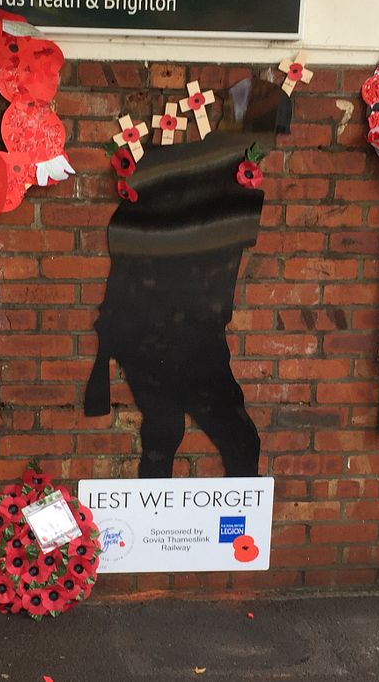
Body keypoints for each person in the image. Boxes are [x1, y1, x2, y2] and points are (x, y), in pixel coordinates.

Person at [84, 76, 287, 478]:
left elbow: (123, 236)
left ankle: (155, 531)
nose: (272, 146)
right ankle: (235, 533)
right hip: (187, 334)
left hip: (140, 332)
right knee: (239, 440)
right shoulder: (230, 182)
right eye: (270, 133)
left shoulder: (167, 165)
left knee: (163, 434)